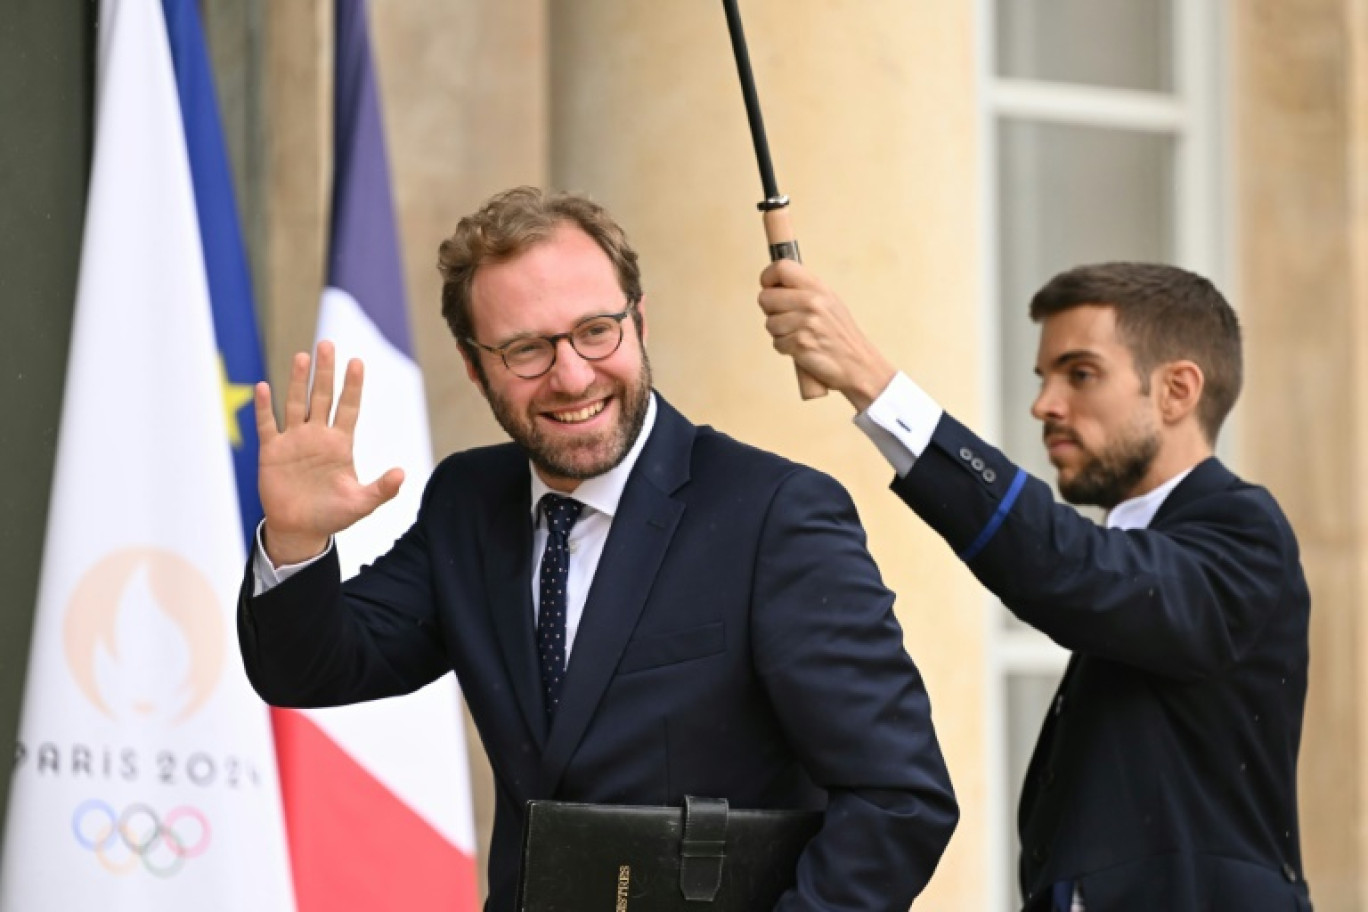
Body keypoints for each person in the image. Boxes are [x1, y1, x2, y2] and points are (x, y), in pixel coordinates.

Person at [237, 186, 958, 911]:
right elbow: (312, 670)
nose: (573, 375)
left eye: (595, 331)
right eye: (526, 349)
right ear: (472, 364)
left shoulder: (774, 515)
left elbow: (899, 800)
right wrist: (297, 538)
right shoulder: (467, 502)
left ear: (639, 321)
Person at [756, 259, 1312, 911]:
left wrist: (873, 383)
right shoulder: (1148, 557)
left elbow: (1067, 569)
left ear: (1178, 390)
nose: (1044, 404)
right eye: (1044, 377)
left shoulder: (1246, 534)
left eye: (1080, 374)